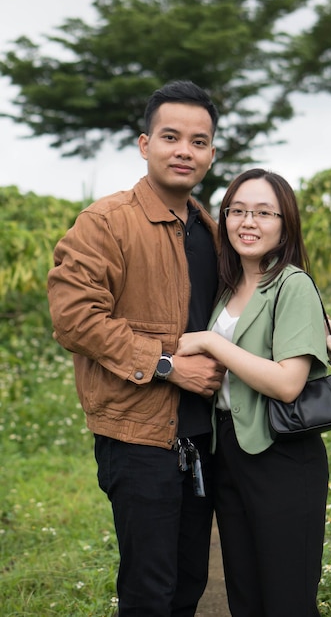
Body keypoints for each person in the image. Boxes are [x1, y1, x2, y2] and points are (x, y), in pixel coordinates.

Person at [47, 80, 226, 617]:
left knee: (191, 580)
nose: (184, 151)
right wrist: (168, 366)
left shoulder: (212, 230)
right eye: (170, 137)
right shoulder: (106, 223)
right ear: (145, 144)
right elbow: (74, 318)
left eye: (199, 141)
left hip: (205, 434)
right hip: (137, 435)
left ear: (212, 154)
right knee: (149, 589)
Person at [176, 167, 331, 616]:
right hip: (229, 450)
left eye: (264, 213)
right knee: (244, 596)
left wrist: (210, 342)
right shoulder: (225, 288)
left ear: (285, 225)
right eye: (238, 210)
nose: (249, 222)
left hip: (282, 455)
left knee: (286, 598)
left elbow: (287, 383)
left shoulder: (292, 284)